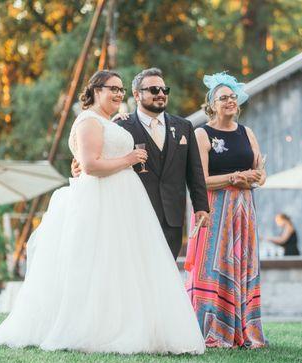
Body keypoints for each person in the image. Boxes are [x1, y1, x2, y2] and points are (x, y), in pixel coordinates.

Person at [0, 70, 205, 355]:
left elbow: (93, 158)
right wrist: (128, 158)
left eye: (120, 90)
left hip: (128, 203)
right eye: (112, 89)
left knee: (125, 268)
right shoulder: (92, 121)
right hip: (104, 201)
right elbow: (90, 164)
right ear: (95, 90)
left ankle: (132, 323)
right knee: (102, 265)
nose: (117, 94)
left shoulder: (109, 121)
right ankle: (100, 328)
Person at [73, 68, 209, 259]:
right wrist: (79, 167)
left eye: (164, 90)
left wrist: (201, 207)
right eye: (154, 90)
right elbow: (94, 158)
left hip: (173, 218)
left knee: (167, 272)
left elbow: (194, 172)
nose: (161, 94)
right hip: (134, 215)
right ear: (137, 94)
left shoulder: (184, 127)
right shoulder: (120, 126)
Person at [184, 72, 267, 348]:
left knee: (242, 264)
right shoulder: (202, 134)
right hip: (215, 209)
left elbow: (261, 172)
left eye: (233, 97)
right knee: (214, 265)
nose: (230, 102)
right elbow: (201, 179)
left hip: (244, 209)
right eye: (223, 98)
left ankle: (245, 329)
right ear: (212, 105)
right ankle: (212, 329)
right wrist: (234, 178)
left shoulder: (247, 132)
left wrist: (254, 177)